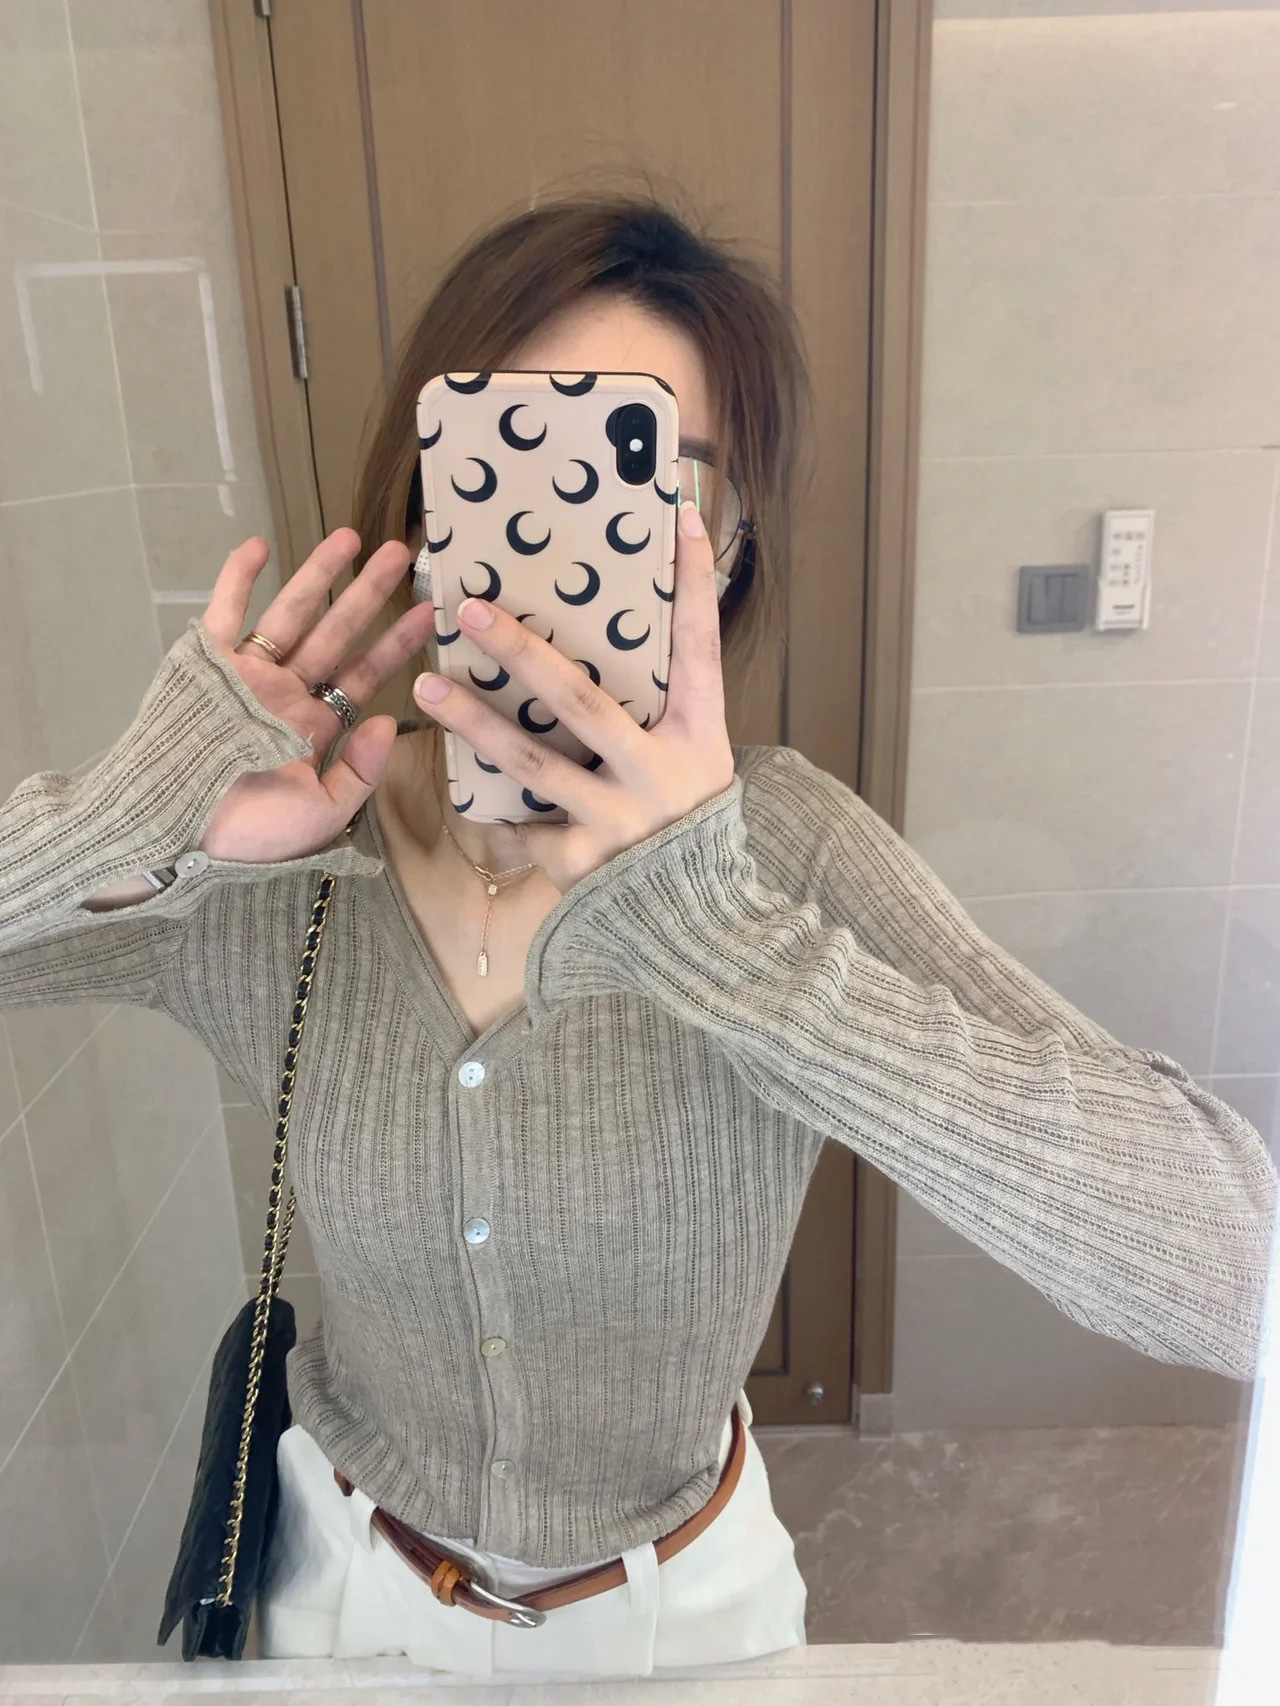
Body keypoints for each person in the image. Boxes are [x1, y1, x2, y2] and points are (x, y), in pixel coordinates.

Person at [0, 195, 1275, 1681]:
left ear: (725, 557)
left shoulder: (781, 853)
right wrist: (129, 819)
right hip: (331, 1601)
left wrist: (731, 949)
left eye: (658, 482)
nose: (573, 543)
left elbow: (1235, 1270)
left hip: (691, 1626)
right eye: (511, 459)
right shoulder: (271, 862)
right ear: (427, 504)